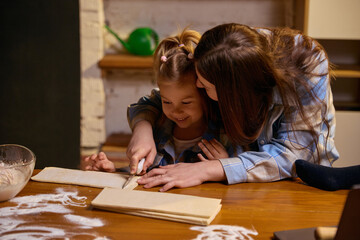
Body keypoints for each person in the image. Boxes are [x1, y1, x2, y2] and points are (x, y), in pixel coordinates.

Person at [127, 23, 339, 191]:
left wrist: (214, 168)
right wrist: (142, 128)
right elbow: (162, 98)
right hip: (243, 182)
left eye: (206, 86)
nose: (198, 85)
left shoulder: (307, 67)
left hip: (302, 186)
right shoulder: (222, 50)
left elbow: (294, 158)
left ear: (235, 92)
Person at [81, 28, 234, 174]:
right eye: (167, 102)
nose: (176, 111)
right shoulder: (158, 125)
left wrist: (224, 165)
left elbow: (236, 184)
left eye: (186, 103)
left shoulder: (223, 135)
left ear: (205, 93)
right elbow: (144, 176)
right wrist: (112, 172)